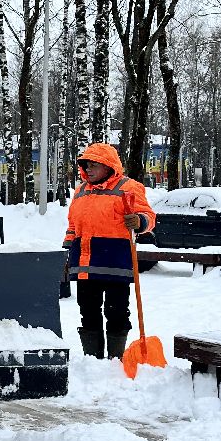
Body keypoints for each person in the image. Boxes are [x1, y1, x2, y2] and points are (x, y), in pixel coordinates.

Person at [63, 142, 156, 360]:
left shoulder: (129, 188)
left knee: (116, 312)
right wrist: (67, 251)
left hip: (116, 263)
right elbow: (72, 226)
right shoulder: (80, 192)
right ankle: (92, 359)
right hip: (85, 263)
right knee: (88, 311)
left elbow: (148, 216)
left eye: (94, 165)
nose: (89, 169)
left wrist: (140, 221)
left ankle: (116, 359)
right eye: (86, 165)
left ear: (108, 166)